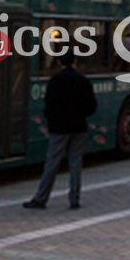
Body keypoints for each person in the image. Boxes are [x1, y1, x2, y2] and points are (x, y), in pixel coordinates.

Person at [24, 50, 97, 210]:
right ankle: (74, 199)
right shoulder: (82, 80)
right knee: (75, 164)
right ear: (75, 62)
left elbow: (49, 106)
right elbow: (91, 106)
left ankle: (41, 198)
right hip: (79, 127)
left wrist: (53, 121)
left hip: (59, 128)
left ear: (59, 62)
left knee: (52, 163)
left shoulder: (55, 81)